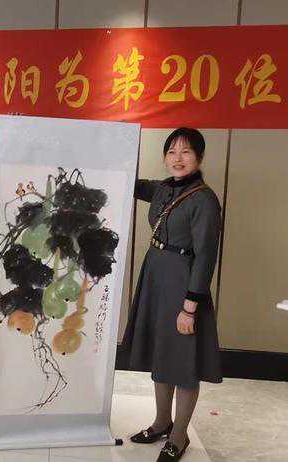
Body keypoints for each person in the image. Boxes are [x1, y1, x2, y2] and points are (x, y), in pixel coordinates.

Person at [123, 128, 222, 461]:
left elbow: (206, 256)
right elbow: (132, 184)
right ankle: (162, 421)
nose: (178, 159)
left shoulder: (204, 199)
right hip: (156, 276)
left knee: (183, 361)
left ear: (199, 157)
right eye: (171, 152)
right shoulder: (164, 188)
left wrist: (190, 307)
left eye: (186, 152)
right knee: (161, 352)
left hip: (183, 284)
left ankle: (179, 436)